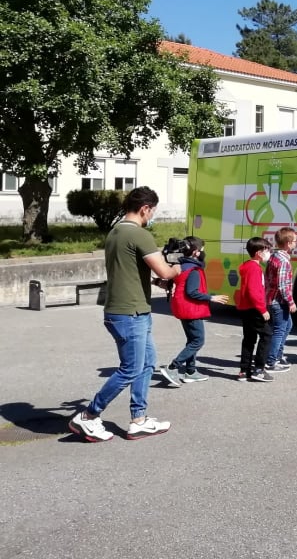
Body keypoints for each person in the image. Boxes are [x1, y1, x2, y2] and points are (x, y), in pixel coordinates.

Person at [68, 186, 181, 442]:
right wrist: (178, 266)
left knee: (147, 363)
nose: (152, 216)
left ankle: (138, 420)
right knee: (131, 368)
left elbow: (129, 270)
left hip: (128, 310)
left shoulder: (115, 232)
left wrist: (156, 282)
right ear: (145, 209)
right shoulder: (139, 235)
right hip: (130, 313)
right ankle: (88, 415)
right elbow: (165, 271)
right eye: (152, 211)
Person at [159, 237, 229, 385]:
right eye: (202, 249)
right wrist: (212, 298)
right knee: (198, 340)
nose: (203, 252)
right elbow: (192, 292)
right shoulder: (194, 270)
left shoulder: (181, 266)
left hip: (182, 307)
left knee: (192, 340)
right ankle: (173, 367)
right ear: (196, 252)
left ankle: (190, 371)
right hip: (191, 308)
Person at [235, 236, 275, 382]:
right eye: (267, 250)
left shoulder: (248, 266)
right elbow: (253, 291)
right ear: (259, 252)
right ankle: (259, 368)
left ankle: (244, 370)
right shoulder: (254, 268)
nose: (269, 253)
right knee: (267, 335)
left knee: (249, 339)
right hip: (254, 308)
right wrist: (262, 309)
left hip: (246, 308)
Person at [265, 227, 297, 373]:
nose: (296, 243)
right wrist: (290, 301)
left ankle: (277, 355)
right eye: (295, 241)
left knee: (287, 325)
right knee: (279, 330)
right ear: (288, 243)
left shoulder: (273, 257)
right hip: (279, 301)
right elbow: (283, 285)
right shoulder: (284, 261)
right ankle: (271, 361)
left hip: (272, 298)